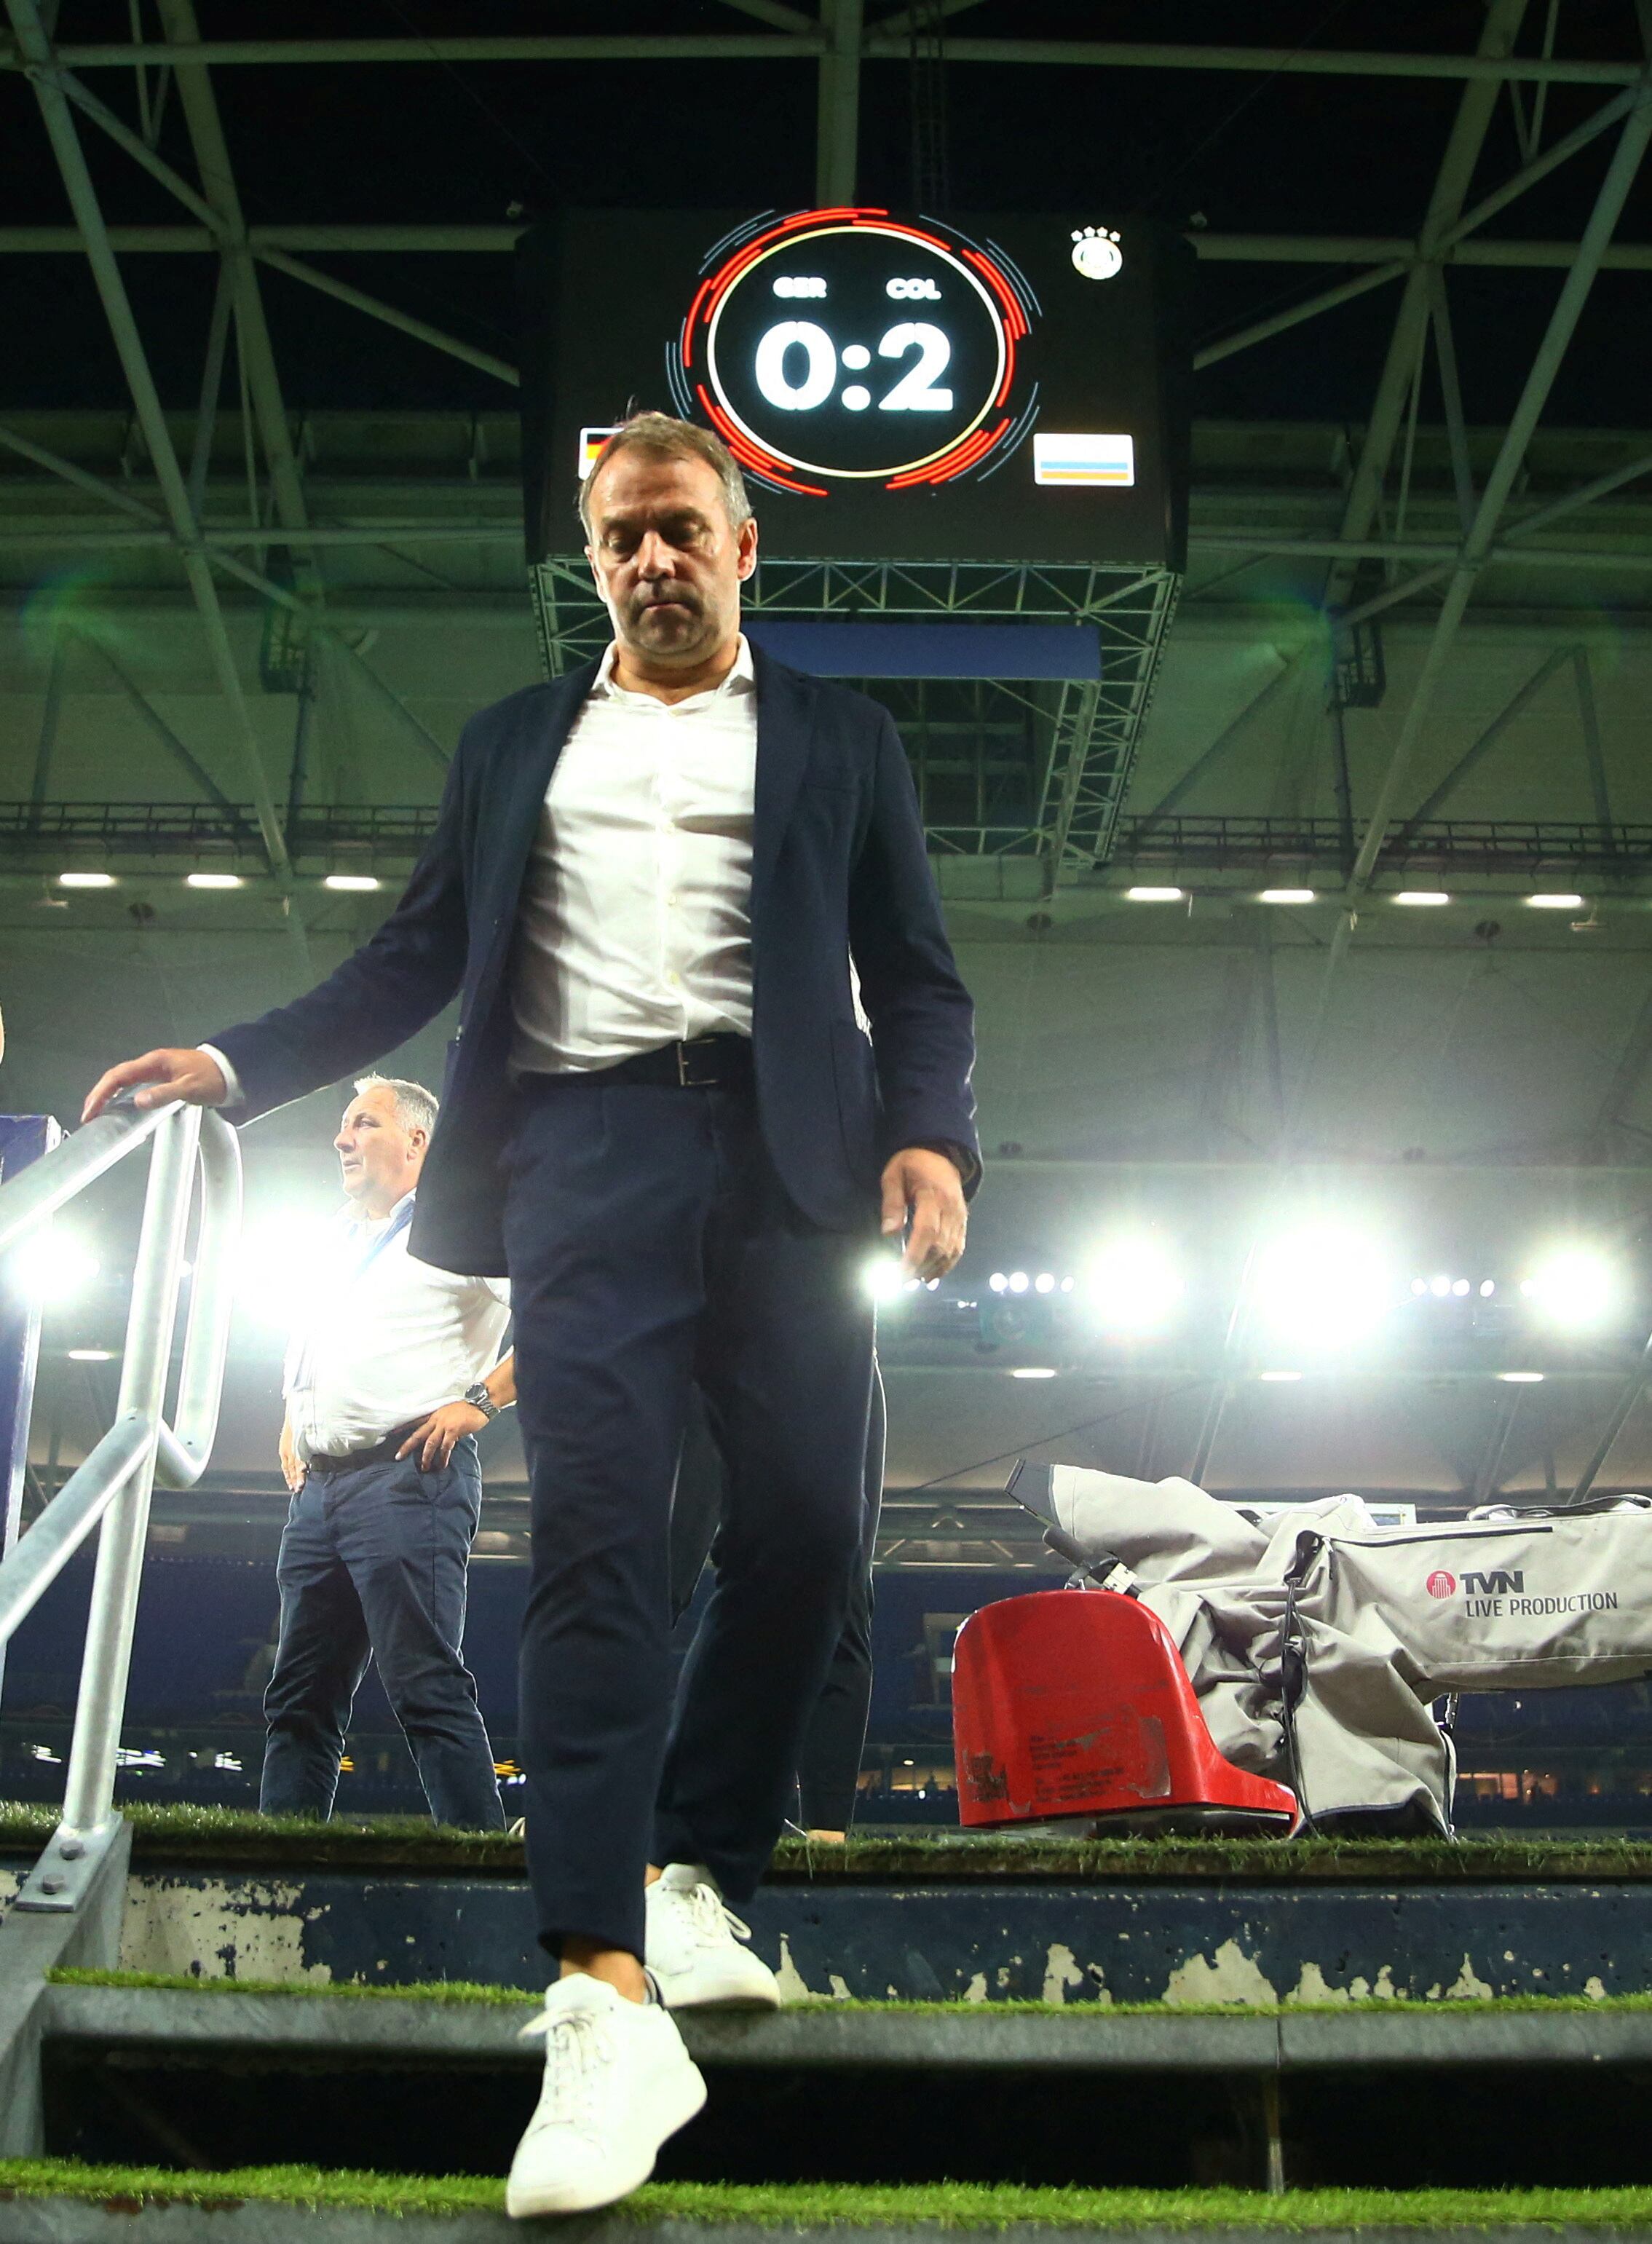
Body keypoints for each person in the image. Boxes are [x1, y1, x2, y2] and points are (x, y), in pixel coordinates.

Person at [82, 409, 979, 2217]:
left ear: (746, 551)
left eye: (681, 529)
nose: (651, 558)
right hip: (576, 1161)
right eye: (620, 536)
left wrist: (932, 1142)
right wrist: (236, 1062)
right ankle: (599, 1989)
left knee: (807, 1535)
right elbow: (414, 954)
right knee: (596, 1547)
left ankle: (700, 1870)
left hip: (792, 1162)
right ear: (594, 560)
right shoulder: (514, 747)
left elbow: (918, 975)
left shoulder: (842, 739)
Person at [264, 1074, 513, 1833]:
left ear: (416, 1140)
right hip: (319, 1492)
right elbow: (315, 1341)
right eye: (343, 1124)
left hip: (409, 1476)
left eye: (363, 1122)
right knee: (297, 1699)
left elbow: (565, 1313)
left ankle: (482, 1881)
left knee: (424, 1685)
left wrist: (482, 1399)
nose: (342, 1137)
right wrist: (294, 1417)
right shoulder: (334, 1235)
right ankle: (280, 1882)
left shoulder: (462, 1221)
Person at [669, 1371, 887, 1841]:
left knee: (843, 1589)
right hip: (711, 1348)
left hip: (833, 1350)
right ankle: (604, 1805)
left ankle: (827, 1838)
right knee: (660, 1579)